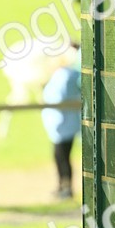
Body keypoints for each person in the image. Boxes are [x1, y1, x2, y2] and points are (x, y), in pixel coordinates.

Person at [41, 43, 81, 199]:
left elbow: (60, 96)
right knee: (60, 157)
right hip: (60, 123)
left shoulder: (66, 75)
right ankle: (62, 186)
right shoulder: (63, 74)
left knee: (62, 156)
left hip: (64, 123)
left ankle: (67, 187)